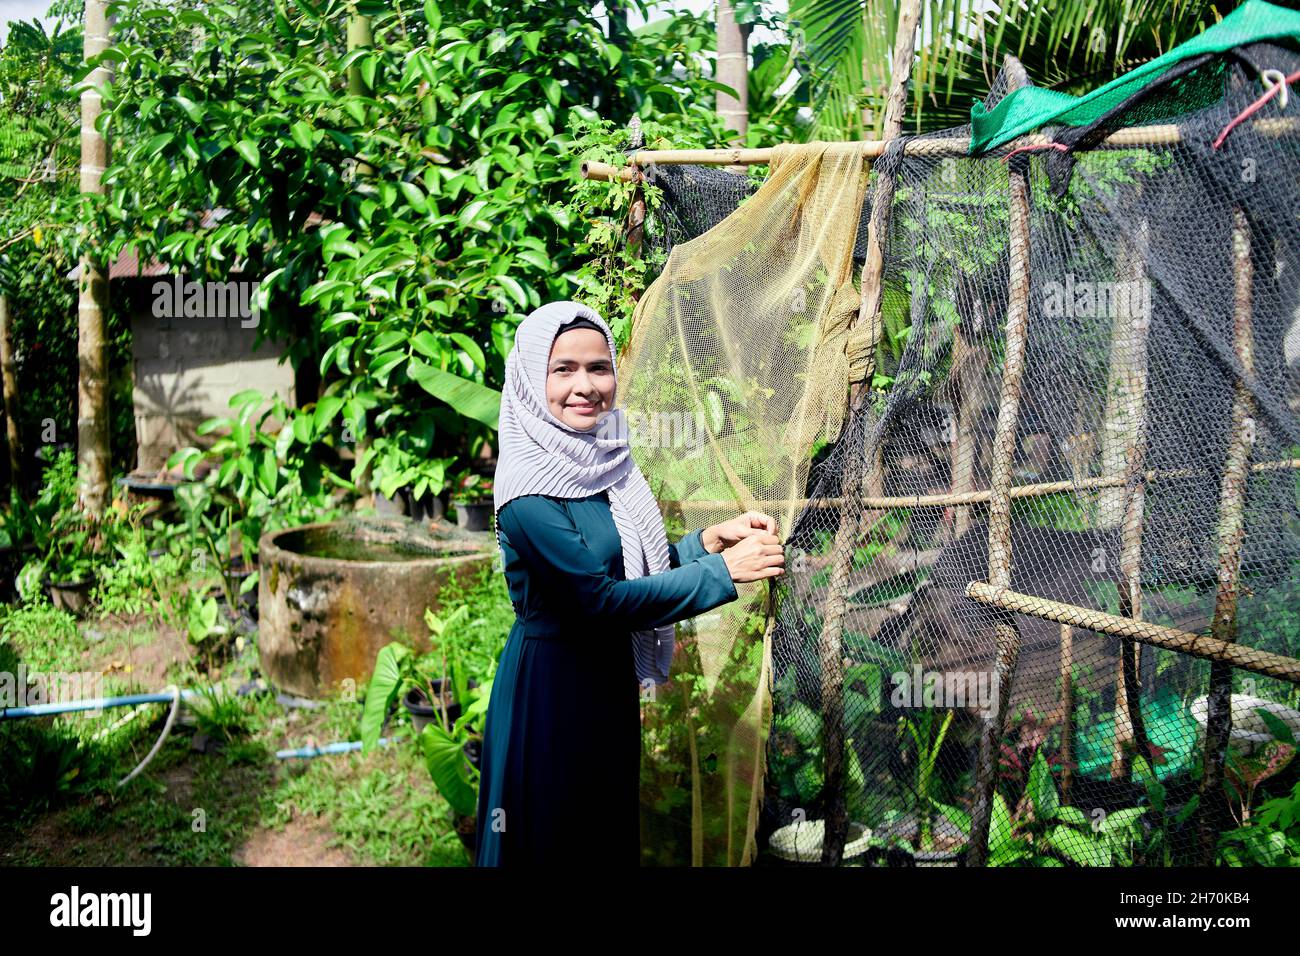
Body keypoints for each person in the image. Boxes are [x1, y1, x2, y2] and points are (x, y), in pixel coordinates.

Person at [473, 300, 785, 866]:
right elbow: (598, 600)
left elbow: (634, 567)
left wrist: (707, 543)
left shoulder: (603, 463)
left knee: (602, 829)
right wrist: (723, 575)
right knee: (552, 835)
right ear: (529, 379)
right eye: (562, 369)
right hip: (551, 690)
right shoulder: (527, 494)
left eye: (599, 367)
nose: (585, 386)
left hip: (604, 682)